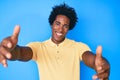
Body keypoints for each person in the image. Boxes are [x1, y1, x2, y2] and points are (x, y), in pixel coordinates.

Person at [0, 3, 110, 80]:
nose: (60, 29)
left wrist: (102, 65)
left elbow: (92, 60)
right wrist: (10, 50)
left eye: (65, 26)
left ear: (69, 29)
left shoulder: (78, 47)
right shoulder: (39, 47)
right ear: (51, 24)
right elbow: (21, 53)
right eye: (57, 24)